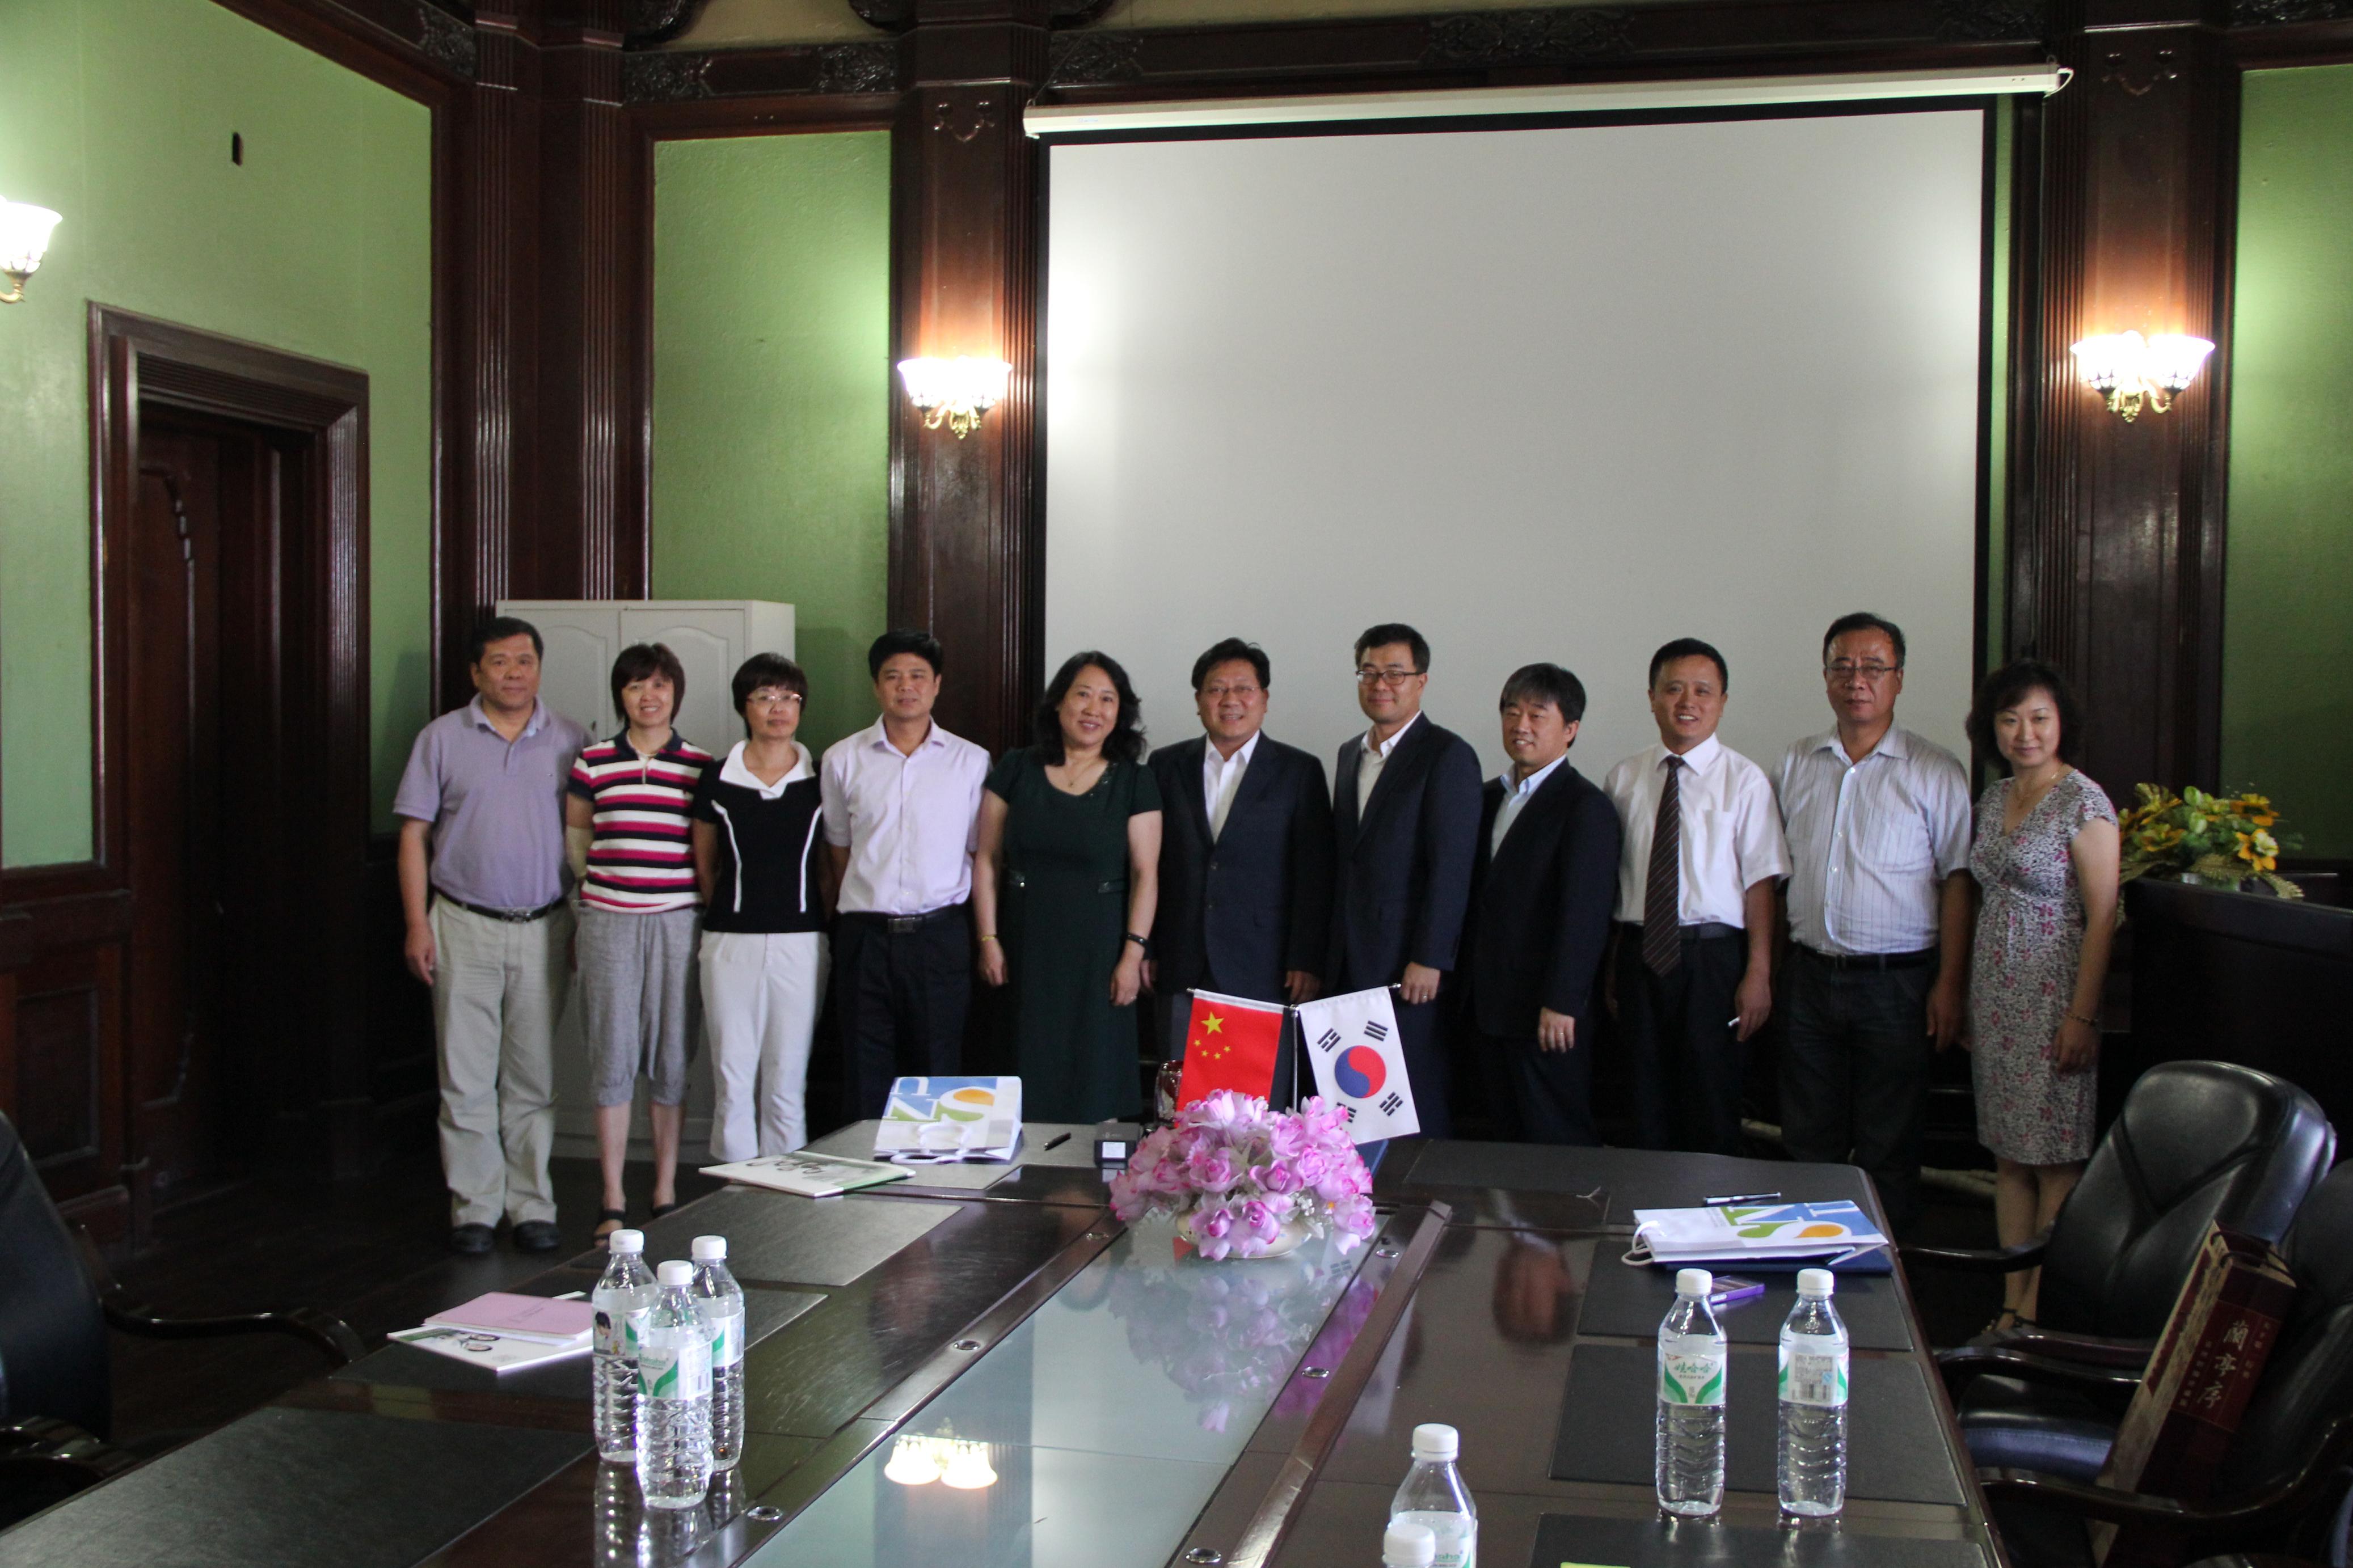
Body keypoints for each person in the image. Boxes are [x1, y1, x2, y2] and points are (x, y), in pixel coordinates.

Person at [1772, 613, 1973, 1235]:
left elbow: (1958, 880)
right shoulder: (1796, 761)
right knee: (1808, 1138)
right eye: (1842, 666)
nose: (1856, 679)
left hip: (1899, 984)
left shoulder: (1935, 769)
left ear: (1898, 679)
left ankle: (1887, 1270)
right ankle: (1809, 1262)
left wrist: (1949, 985)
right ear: (1825, 676)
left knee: (1890, 1143)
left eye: (1872, 667)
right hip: (1808, 977)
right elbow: (1775, 876)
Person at [393, 617, 587, 1254]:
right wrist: (417, 922)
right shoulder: (441, 738)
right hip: (461, 922)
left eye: (524, 660)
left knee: (533, 1076)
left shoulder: (571, 739)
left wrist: (582, 920)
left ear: (539, 667)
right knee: (465, 1076)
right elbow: (414, 835)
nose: (514, 673)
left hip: (545, 924)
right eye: (499, 662)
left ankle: (532, 1204)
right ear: (476, 672)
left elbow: (590, 838)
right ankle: (474, 1207)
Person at [1962, 660, 2120, 1329]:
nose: (2023, 733)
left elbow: (2103, 914)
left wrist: (2082, 1014)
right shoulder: (1994, 797)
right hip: (1995, 998)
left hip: (2053, 999)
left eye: (2038, 718)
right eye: (2008, 719)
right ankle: (2009, 1304)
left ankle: (2037, 1315)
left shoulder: (2083, 800)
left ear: (2061, 724)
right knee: (2008, 1156)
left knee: (2054, 1160)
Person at [1603, 638, 1789, 1156]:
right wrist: (1613, 965)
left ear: (1722, 701)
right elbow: (1615, 883)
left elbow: (1761, 886)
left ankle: (1711, 1204)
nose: (1688, 702)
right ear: (1652, 697)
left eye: (1703, 691)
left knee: (1710, 1100)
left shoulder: (1745, 780)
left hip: (1713, 961)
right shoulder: (1624, 778)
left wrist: (1759, 973)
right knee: (1643, 1100)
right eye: (1674, 689)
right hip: (1640, 954)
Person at [564, 643, 714, 1243]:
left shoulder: (699, 765)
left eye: (658, 685)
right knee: (612, 1053)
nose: (648, 696)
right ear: (620, 695)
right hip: (608, 921)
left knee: (672, 1053)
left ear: (675, 692)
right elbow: (578, 836)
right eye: (634, 686)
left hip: (678, 920)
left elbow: (705, 849)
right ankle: (612, 1197)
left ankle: (665, 1190)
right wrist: (593, 888)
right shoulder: (594, 760)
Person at [972, 653, 1163, 1123]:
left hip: (1099, 951)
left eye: (1107, 699)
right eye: (1083, 694)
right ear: (1059, 702)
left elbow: (1146, 873)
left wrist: (1132, 956)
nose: (1093, 708)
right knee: (1022, 1071)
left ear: (1120, 713)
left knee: (1095, 1075)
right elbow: (987, 858)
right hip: (1024, 944)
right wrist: (988, 939)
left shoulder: (1135, 780)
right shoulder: (1016, 767)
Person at [1145, 638, 1335, 1104]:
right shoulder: (1165, 766)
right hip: (1182, 957)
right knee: (1182, 1104)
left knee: (1258, 1107)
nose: (1230, 700)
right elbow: (1150, 865)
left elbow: (1314, 874)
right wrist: (1147, 946)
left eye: (1244, 688)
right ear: (1198, 700)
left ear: (1264, 698)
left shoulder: (1299, 770)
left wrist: (1307, 957)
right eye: (1217, 689)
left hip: (1264, 965)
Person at [820, 629, 990, 1120]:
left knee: (937, 1068)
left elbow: (979, 851)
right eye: (893, 676)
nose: (906, 686)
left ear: (936, 685)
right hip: (865, 937)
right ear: (876, 686)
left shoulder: (970, 760)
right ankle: (864, 1167)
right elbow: (839, 848)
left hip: (940, 935)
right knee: (863, 1067)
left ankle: (933, 1168)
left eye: (918, 675)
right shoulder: (842, 758)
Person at [1327, 623, 1483, 1138]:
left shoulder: (1447, 755)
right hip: (1349, 959)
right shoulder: (1349, 753)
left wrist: (1431, 956)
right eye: (1369, 672)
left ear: (1421, 681)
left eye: (1395, 673)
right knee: (1353, 1098)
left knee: (1411, 1094)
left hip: (1408, 965)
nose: (1380, 684)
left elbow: (1452, 865)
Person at [1461, 663, 1622, 1145]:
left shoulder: (1585, 806)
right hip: (1487, 1003)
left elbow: (1585, 914)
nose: (1521, 725)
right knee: (1501, 1134)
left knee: (1553, 1134)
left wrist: (1563, 1001)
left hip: (1546, 1011)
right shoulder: (1485, 797)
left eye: (1537, 714)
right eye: (1512, 712)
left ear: (1570, 729)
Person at [690, 654, 830, 1161]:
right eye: (765, 697)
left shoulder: (821, 778)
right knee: (732, 1075)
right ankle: (735, 1187)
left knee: (787, 1078)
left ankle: (782, 1191)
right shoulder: (716, 778)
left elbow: (828, 870)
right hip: (730, 943)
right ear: (744, 706)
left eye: (789, 698)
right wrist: (735, 915)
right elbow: (706, 866)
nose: (779, 708)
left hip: (802, 942)